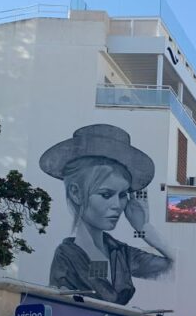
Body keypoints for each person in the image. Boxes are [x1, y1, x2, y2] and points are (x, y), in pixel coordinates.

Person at [40, 124, 174, 305]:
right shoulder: (67, 256)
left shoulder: (121, 252)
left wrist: (145, 228)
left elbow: (178, 270)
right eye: (106, 195)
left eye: (122, 195)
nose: (117, 205)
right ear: (76, 193)